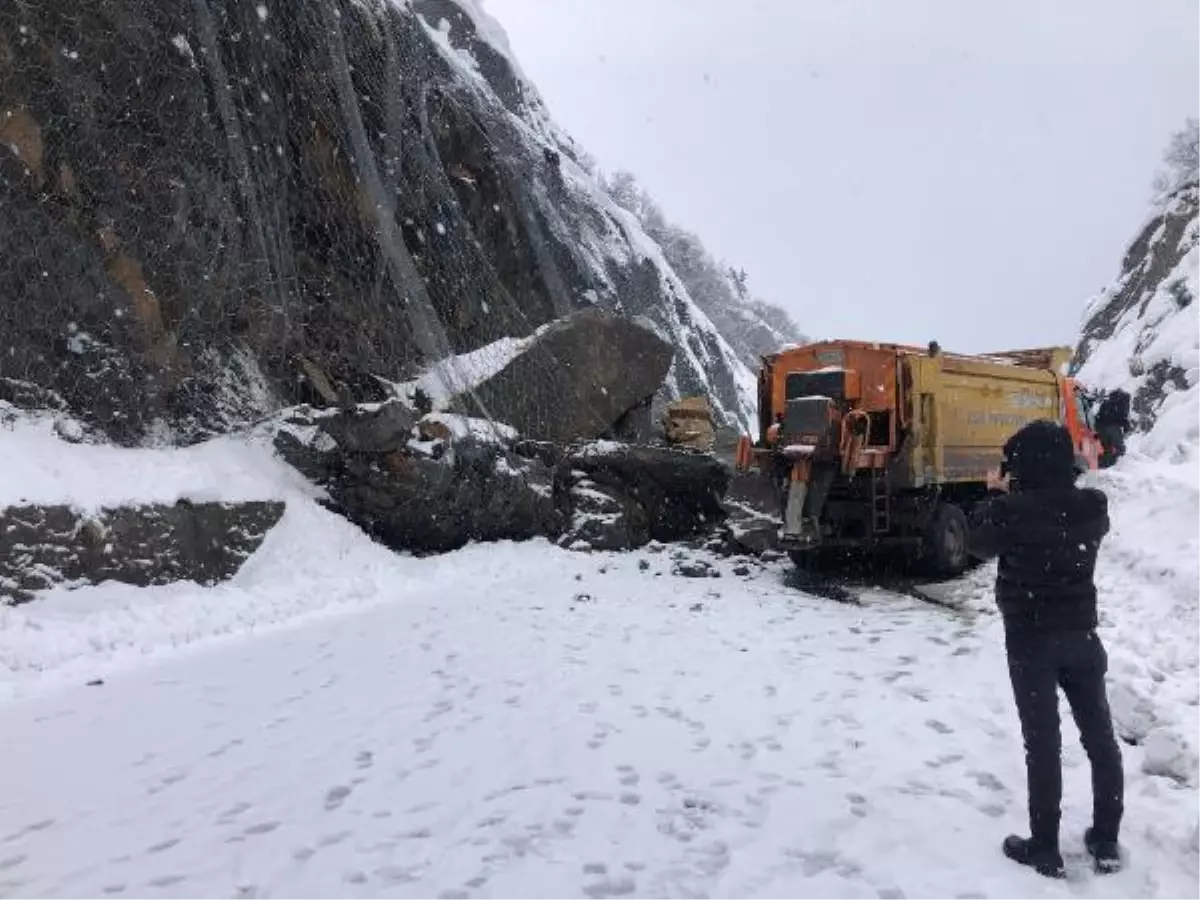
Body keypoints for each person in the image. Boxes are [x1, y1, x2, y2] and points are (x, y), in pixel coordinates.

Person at [968, 420, 1124, 878]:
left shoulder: (1010, 510)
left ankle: (1045, 847)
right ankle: (1106, 839)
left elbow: (977, 544)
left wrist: (994, 494)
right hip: (1082, 636)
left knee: (1042, 743)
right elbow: (1065, 515)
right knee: (1100, 738)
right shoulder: (1092, 506)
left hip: (1030, 639)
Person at [1094, 388, 1131, 468]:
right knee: (1119, 448)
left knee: (1105, 447)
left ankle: (1103, 465)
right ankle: (1119, 466)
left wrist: (1096, 429)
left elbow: (1099, 415)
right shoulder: (1121, 403)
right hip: (1113, 428)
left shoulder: (1106, 403)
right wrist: (1126, 428)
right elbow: (1122, 417)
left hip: (1101, 428)